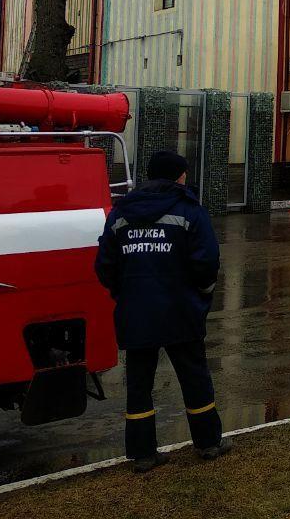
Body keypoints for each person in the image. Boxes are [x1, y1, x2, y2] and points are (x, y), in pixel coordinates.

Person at [95, 150, 228, 472]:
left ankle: (142, 453)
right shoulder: (189, 210)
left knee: (139, 383)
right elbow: (207, 262)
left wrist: (124, 294)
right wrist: (202, 295)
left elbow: (104, 265)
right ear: (179, 175)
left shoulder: (121, 212)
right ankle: (208, 443)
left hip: (136, 312)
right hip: (180, 309)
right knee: (194, 376)